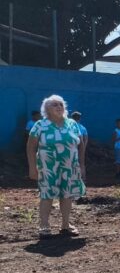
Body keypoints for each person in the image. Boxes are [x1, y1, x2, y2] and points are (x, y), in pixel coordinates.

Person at [26, 95, 86, 238]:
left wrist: (82, 165)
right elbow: (31, 147)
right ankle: (44, 226)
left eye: (61, 104)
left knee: (67, 195)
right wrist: (32, 168)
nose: (59, 107)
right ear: (47, 109)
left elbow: (81, 144)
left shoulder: (72, 124)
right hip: (48, 168)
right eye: (55, 105)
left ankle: (65, 225)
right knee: (47, 195)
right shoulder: (40, 125)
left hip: (69, 167)